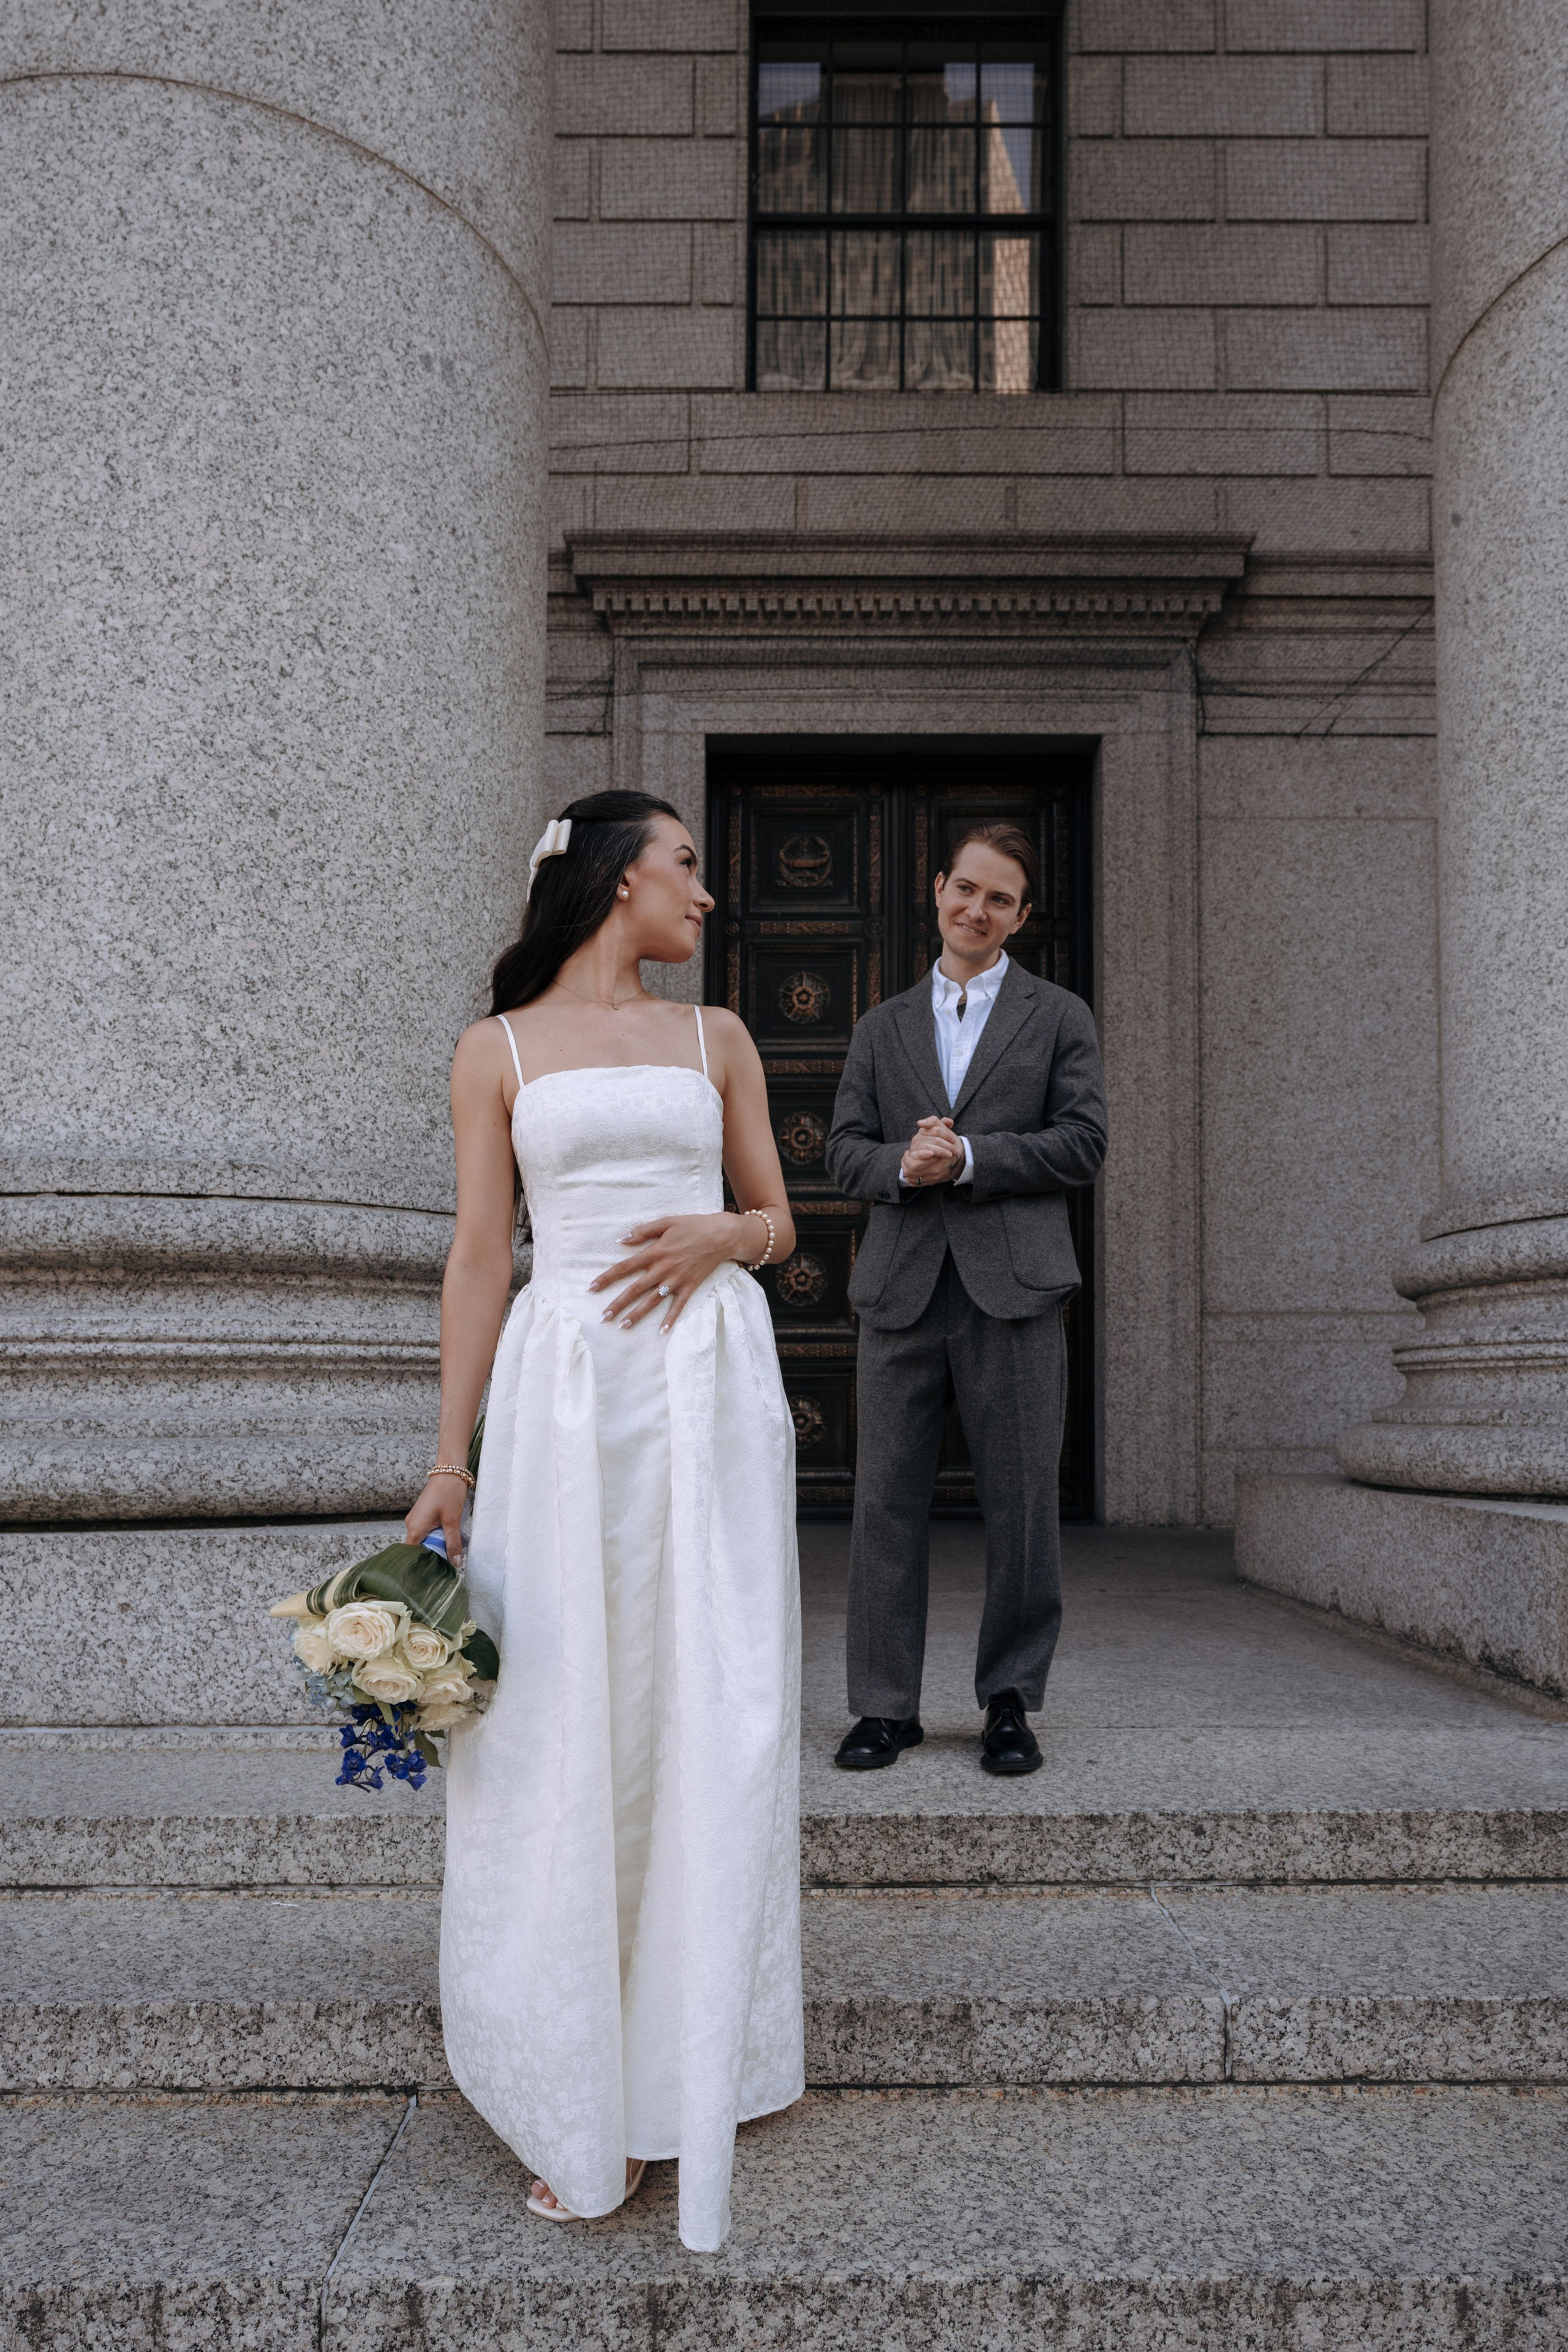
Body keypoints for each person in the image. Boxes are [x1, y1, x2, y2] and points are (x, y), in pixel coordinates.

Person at [404, 791, 803, 2254]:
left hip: (703, 1390)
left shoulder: (720, 1039)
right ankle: (574, 2081)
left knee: (711, 1702)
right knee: (569, 1711)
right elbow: (473, 1258)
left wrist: (723, 1234)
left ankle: (694, 2054)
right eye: (685, 866)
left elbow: (781, 1218)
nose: (704, 895)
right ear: (615, 878)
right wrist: (451, 1461)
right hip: (566, 1403)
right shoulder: (493, 1051)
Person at [824, 821, 1107, 1777]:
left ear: (1020, 916)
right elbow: (840, 1150)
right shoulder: (881, 1024)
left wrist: (976, 1156)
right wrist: (904, 1164)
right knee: (886, 1505)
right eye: (966, 889)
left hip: (1016, 1289)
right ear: (938, 888)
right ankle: (882, 1706)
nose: (976, 910)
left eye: (999, 899)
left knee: (1023, 1505)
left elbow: (1083, 1143)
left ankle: (1011, 1702)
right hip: (901, 1287)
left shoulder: (1059, 1015)